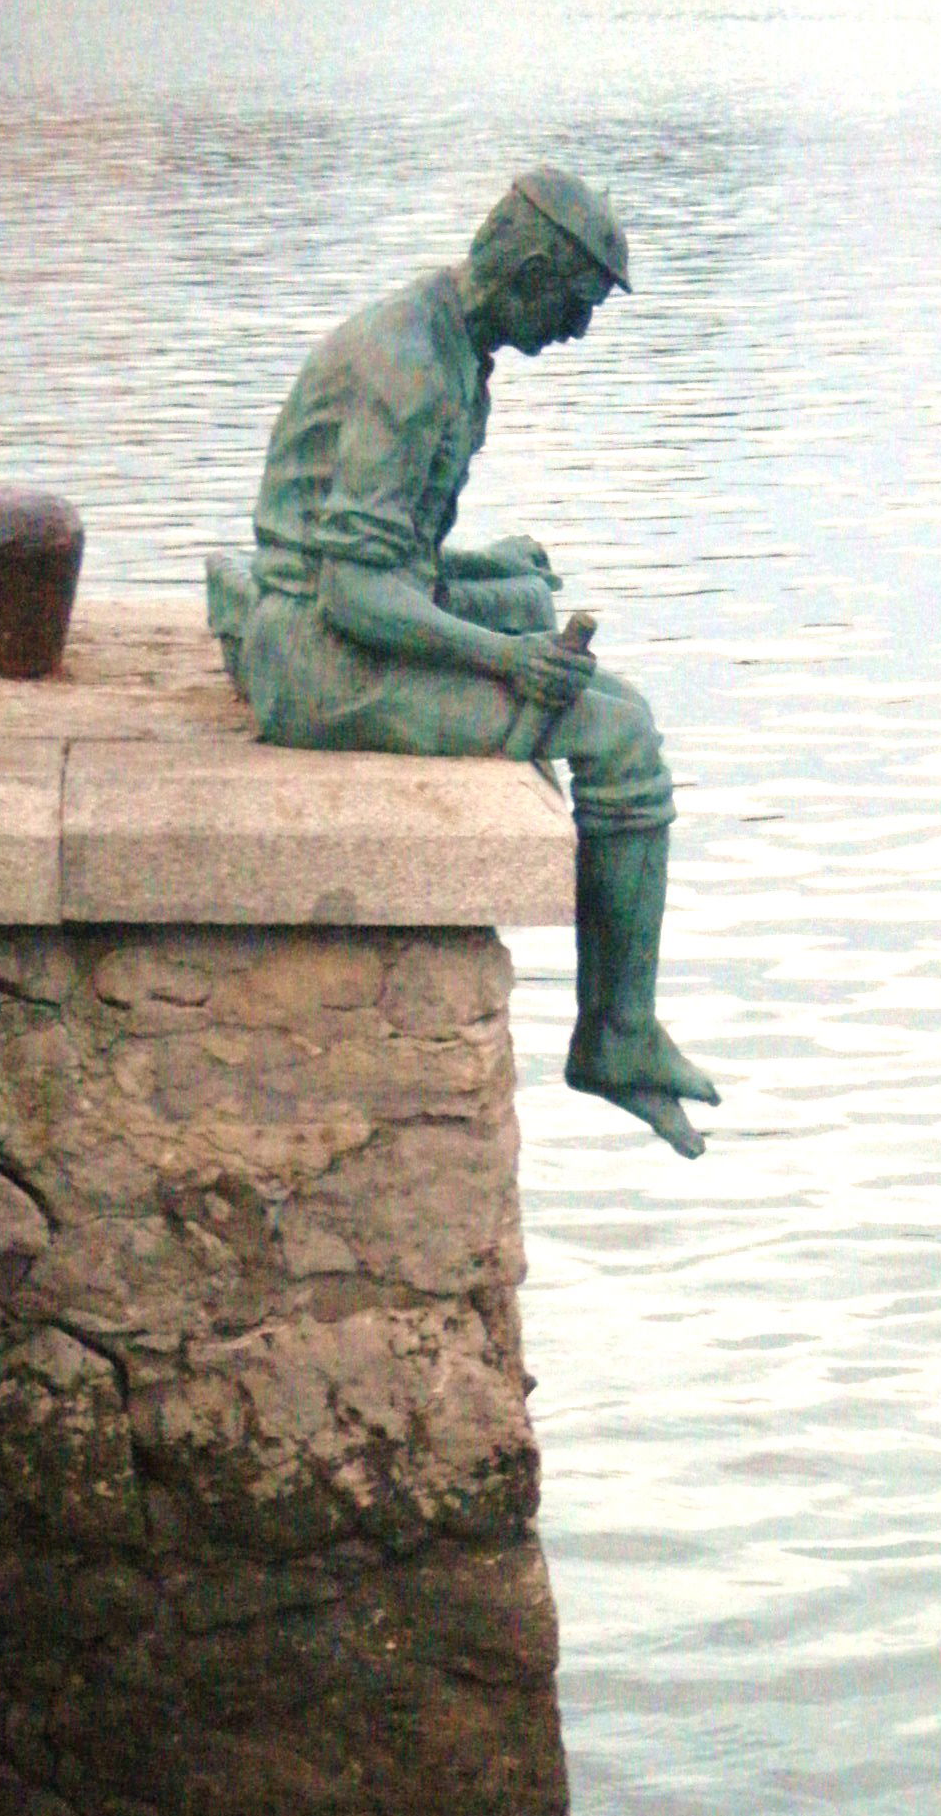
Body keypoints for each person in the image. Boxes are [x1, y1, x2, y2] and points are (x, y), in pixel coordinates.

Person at [206, 168, 717, 1159]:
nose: (577, 333)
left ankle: (620, 1024)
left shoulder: (448, 340)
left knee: (529, 594)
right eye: (575, 306)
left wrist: (488, 576)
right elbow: (353, 593)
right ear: (529, 272)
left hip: (321, 612)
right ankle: (616, 1036)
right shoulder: (411, 370)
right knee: (622, 731)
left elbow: (382, 548)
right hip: (319, 662)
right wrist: (509, 660)